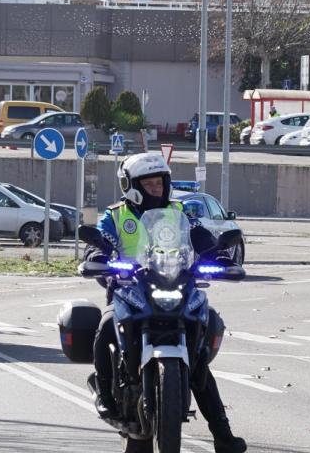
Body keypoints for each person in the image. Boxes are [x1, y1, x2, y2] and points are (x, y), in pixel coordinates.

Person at [82, 153, 246, 453]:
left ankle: (223, 434)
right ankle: (105, 394)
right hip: (130, 290)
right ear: (132, 185)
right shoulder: (116, 215)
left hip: (178, 286)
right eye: (150, 184)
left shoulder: (179, 210)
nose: (157, 188)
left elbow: (200, 237)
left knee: (198, 360)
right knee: (105, 325)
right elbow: (100, 241)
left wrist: (218, 256)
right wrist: (97, 258)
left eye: (160, 182)